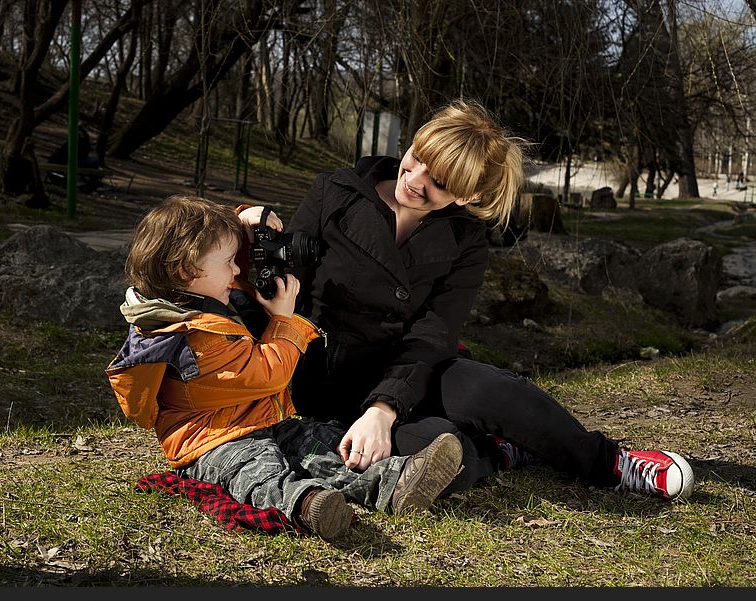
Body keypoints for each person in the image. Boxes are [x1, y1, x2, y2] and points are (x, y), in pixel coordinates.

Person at [241, 98, 695, 501]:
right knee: (438, 446)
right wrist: (249, 228)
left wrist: (383, 408)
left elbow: (433, 332)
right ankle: (498, 450)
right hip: (315, 369)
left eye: (438, 181)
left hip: (403, 368)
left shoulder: (465, 239)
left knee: (489, 389)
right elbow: (275, 272)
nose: (414, 180)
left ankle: (612, 464)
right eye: (416, 158)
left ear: (469, 194)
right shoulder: (335, 191)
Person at [105, 195, 464, 540]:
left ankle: (396, 482)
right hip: (212, 442)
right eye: (230, 262)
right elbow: (269, 374)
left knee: (318, 446)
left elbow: (204, 236)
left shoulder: (193, 299)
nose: (237, 269)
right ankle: (307, 505)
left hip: (262, 419)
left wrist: (246, 219)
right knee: (257, 472)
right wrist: (285, 319)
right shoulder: (193, 337)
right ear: (186, 271)